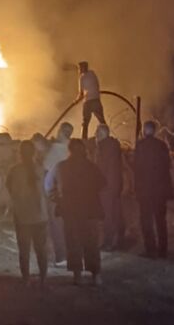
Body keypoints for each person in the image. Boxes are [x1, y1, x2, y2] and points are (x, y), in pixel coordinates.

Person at [56, 138, 107, 285]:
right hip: (90, 211)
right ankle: (96, 275)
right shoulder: (91, 166)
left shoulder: (63, 167)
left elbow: (60, 187)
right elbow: (103, 183)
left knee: (73, 242)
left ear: (70, 150)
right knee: (91, 243)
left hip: (71, 211)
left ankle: (77, 276)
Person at [6, 140, 49, 286]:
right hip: (40, 215)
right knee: (41, 249)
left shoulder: (14, 171)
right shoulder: (41, 169)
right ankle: (43, 278)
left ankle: (26, 279)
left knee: (24, 249)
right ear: (33, 153)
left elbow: (9, 189)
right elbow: (47, 189)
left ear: (20, 154)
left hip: (22, 216)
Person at [133, 120, 173, 258]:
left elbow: (136, 168)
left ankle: (150, 249)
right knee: (161, 221)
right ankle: (163, 250)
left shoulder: (140, 145)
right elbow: (167, 166)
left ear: (145, 130)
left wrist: (136, 188)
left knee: (146, 220)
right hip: (160, 191)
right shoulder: (162, 146)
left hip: (145, 191)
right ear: (154, 130)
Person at [42, 122, 73, 267]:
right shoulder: (72, 149)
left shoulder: (55, 150)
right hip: (71, 194)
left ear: (61, 132)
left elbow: (46, 169)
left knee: (56, 225)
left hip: (56, 195)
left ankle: (62, 257)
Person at [95, 124, 125, 251]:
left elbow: (101, 169)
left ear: (101, 134)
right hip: (115, 185)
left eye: (97, 133)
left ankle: (108, 242)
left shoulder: (104, 148)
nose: (95, 135)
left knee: (108, 215)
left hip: (106, 187)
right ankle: (120, 238)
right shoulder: (114, 146)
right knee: (116, 212)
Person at [75, 61, 105, 140]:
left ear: (83, 68)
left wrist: (76, 101)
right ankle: (106, 137)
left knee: (85, 123)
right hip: (96, 100)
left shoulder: (82, 78)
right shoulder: (93, 74)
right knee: (102, 121)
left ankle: (84, 139)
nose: (79, 70)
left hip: (88, 101)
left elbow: (81, 93)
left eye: (79, 68)